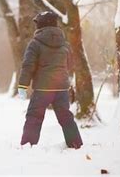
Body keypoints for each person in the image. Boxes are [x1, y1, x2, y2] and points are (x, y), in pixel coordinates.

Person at [18, 11, 83, 149]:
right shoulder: (65, 45)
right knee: (66, 117)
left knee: (34, 117)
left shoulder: (35, 44)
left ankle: (28, 145)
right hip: (61, 89)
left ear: (41, 25)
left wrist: (22, 86)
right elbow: (69, 65)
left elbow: (28, 66)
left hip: (42, 89)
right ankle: (76, 144)